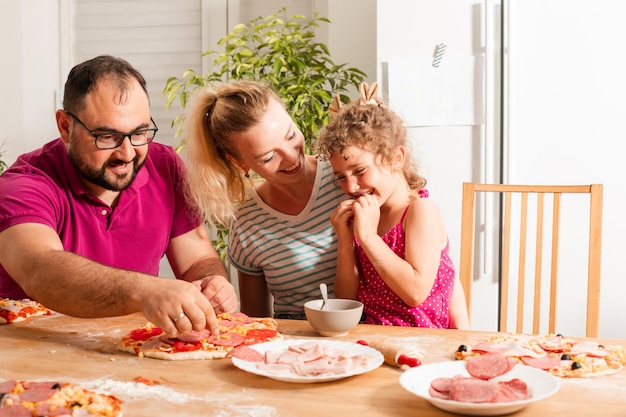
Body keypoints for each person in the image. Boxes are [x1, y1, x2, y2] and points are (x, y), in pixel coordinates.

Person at [0, 55, 238, 337]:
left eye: (139, 133)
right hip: (29, 358)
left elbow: (197, 259)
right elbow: (40, 270)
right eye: (107, 137)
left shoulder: (165, 165)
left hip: (126, 351)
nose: (127, 154)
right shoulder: (23, 185)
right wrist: (143, 291)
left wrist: (211, 283)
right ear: (65, 126)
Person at [183, 80, 346, 319]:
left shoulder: (347, 177)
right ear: (239, 163)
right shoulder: (247, 222)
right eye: (269, 157)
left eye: (290, 135)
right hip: (291, 348)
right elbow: (255, 320)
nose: (291, 157)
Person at [316, 82, 470, 329]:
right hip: (371, 335)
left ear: (395, 159)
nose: (351, 187)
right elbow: (347, 300)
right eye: (341, 177)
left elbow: (415, 292)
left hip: (421, 340)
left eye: (360, 171)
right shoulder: (365, 217)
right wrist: (346, 240)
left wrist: (367, 236)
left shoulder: (420, 211)